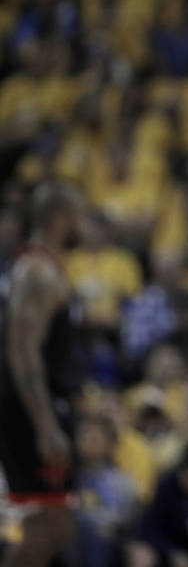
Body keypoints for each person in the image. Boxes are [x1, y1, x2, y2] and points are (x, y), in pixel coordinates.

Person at [0, 182, 83, 567]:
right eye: (77, 215)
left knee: (49, 528)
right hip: (30, 411)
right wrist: (46, 424)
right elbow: (22, 350)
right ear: (59, 218)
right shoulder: (36, 272)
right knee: (54, 527)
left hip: (38, 406)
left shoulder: (41, 267)